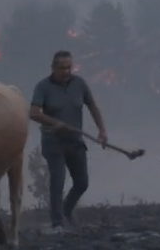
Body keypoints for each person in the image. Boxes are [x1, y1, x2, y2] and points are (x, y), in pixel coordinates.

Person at [29, 50, 108, 233]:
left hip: (75, 140)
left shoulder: (79, 84)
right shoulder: (43, 87)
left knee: (82, 182)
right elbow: (33, 113)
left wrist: (102, 130)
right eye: (62, 68)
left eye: (69, 67)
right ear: (53, 68)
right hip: (53, 142)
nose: (66, 71)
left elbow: (92, 106)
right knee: (58, 181)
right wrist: (55, 123)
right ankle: (57, 223)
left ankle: (66, 209)